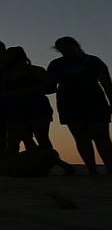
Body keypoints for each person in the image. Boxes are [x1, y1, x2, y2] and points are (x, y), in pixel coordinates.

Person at [1, 46, 74, 175]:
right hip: (15, 110)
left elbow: (50, 88)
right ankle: (8, 167)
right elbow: (3, 93)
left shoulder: (36, 71)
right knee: (14, 140)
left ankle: (49, 166)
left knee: (42, 139)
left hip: (37, 108)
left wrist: (27, 91)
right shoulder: (7, 75)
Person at [46, 37, 112, 175]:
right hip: (69, 104)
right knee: (81, 137)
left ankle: (110, 169)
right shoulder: (56, 64)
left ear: (76, 46)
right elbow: (50, 86)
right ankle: (92, 170)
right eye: (63, 49)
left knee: (102, 137)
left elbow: (107, 83)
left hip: (95, 102)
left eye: (69, 48)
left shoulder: (93, 61)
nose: (67, 52)